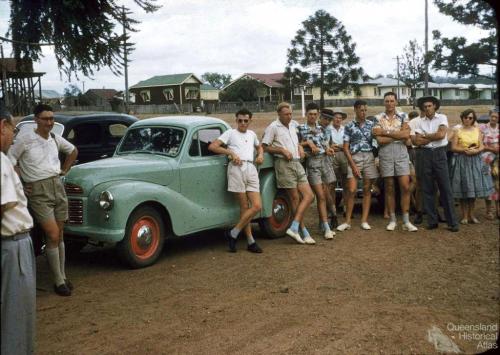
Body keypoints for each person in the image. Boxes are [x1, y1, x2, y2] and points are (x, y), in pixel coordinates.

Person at [9, 104, 78, 296]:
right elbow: (10, 160)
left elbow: (73, 151)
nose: (49, 122)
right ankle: (57, 281)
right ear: (36, 119)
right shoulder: (25, 138)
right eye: (45, 118)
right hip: (38, 190)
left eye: (51, 118)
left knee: (60, 234)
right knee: (52, 234)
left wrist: (65, 169)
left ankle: (62, 276)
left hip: (57, 185)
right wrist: (21, 183)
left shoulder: (54, 138)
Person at [1, 108, 36, 354]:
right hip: (11, 244)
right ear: (2, 125)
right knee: (15, 313)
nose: (13, 136)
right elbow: (5, 204)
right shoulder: (1, 161)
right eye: (12, 129)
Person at [208, 108, 264, 253]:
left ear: (250, 121)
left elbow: (260, 147)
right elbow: (213, 146)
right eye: (240, 120)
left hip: (250, 168)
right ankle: (251, 241)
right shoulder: (230, 133)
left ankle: (233, 232)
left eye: (246, 121)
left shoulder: (252, 134)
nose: (243, 123)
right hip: (236, 169)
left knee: (257, 206)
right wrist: (231, 152)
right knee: (244, 207)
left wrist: (260, 155)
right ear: (236, 120)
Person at [262, 102, 314, 244]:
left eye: (291, 113)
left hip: (297, 163)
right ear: (279, 114)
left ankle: (295, 226)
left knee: (309, 196)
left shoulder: (293, 125)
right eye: (286, 114)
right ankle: (303, 231)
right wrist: (281, 151)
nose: (289, 116)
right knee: (295, 198)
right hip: (283, 164)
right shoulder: (273, 127)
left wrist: (300, 148)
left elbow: (295, 141)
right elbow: (264, 147)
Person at [411, 96, 459, 232]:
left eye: (430, 106)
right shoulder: (420, 121)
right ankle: (432, 221)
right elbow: (418, 142)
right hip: (425, 154)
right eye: (425, 106)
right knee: (427, 189)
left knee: (445, 188)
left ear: (435, 106)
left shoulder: (442, 118)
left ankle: (452, 222)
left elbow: (441, 135)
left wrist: (426, 136)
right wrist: (432, 136)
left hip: (439, 153)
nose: (427, 108)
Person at [373, 92, 418, 232]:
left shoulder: (404, 116)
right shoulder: (377, 117)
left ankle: (406, 220)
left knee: (405, 186)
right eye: (387, 101)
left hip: (401, 153)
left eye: (392, 101)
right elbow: (379, 140)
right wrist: (397, 135)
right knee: (390, 186)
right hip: (385, 154)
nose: (389, 103)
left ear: (396, 102)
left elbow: (406, 135)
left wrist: (385, 132)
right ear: (384, 102)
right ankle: (392, 220)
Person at [337, 100, 379, 231]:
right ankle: (347, 221)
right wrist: (353, 165)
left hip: (369, 157)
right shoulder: (349, 126)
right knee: (351, 190)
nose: (364, 113)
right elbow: (345, 147)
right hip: (354, 157)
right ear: (355, 109)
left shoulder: (372, 125)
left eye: (365, 110)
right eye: (361, 110)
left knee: (367, 190)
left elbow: (377, 142)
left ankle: (364, 221)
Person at [297, 103, 336, 240]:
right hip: (312, 163)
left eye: (315, 114)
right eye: (310, 114)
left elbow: (324, 144)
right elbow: (294, 143)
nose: (313, 117)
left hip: (324, 160)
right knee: (320, 196)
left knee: (327, 191)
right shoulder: (301, 128)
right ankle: (326, 227)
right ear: (306, 114)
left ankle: (325, 224)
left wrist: (328, 149)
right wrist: (307, 143)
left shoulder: (321, 128)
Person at [450, 109, 494, 224]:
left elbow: (482, 146)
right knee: (464, 187)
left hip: (475, 161)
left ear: (473, 119)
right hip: (462, 161)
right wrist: (464, 150)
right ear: (462, 118)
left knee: (473, 188)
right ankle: (464, 216)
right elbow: (453, 147)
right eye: (465, 117)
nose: (467, 120)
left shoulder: (477, 130)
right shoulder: (457, 131)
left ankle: (472, 215)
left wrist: (476, 151)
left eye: (470, 118)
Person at [324, 108, 349, 228]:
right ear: (332, 119)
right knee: (332, 183)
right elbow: (328, 144)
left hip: (344, 155)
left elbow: (347, 144)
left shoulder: (345, 129)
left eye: (340, 118)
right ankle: (332, 210)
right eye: (336, 117)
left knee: (346, 183)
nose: (338, 119)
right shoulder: (328, 129)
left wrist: (339, 146)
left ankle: (345, 208)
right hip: (332, 155)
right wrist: (333, 146)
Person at [480, 108, 499, 220]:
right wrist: (491, 149)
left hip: (498, 159)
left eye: (496, 117)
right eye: (492, 116)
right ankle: (489, 211)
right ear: (489, 116)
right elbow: (480, 144)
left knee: (498, 185)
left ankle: (498, 210)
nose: (494, 119)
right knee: (488, 185)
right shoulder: (483, 128)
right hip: (486, 159)